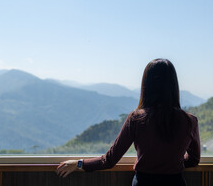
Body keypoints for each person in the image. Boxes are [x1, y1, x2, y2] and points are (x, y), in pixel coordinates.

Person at [56, 58, 200, 185]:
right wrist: (171, 163)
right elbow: (193, 160)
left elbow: (109, 160)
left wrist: (79, 164)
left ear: (146, 85)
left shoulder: (137, 119)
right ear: (174, 85)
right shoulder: (190, 121)